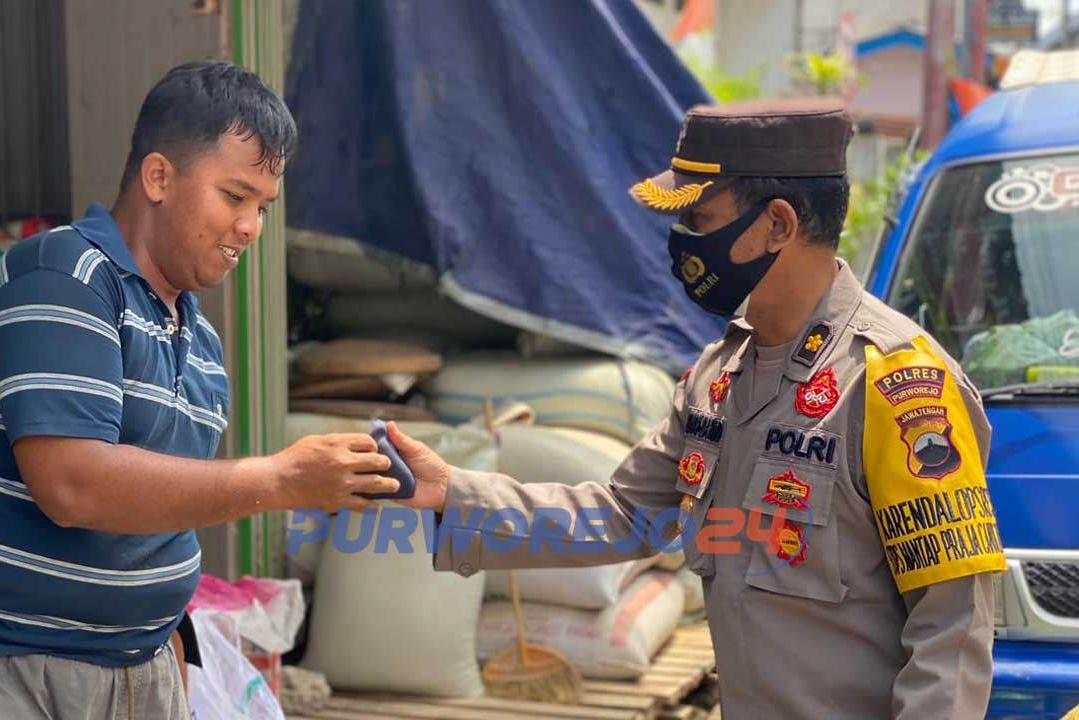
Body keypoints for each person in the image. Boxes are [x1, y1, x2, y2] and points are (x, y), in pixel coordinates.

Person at [388, 99, 1006, 719]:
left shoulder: (896, 384)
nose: (681, 241)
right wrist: (452, 493)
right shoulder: (718, 375)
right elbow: (621, 514)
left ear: (778, 225)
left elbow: (951, 630)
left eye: (699, 218)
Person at [0, 61, 396, 719]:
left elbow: (156, 510)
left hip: (137, 675)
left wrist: (162, 647)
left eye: (263, 206)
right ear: (159, 176)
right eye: (234, 196)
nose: (251, 227)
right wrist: (283, 479)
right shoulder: (62, 276)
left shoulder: (201, 345)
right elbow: (74, 486)